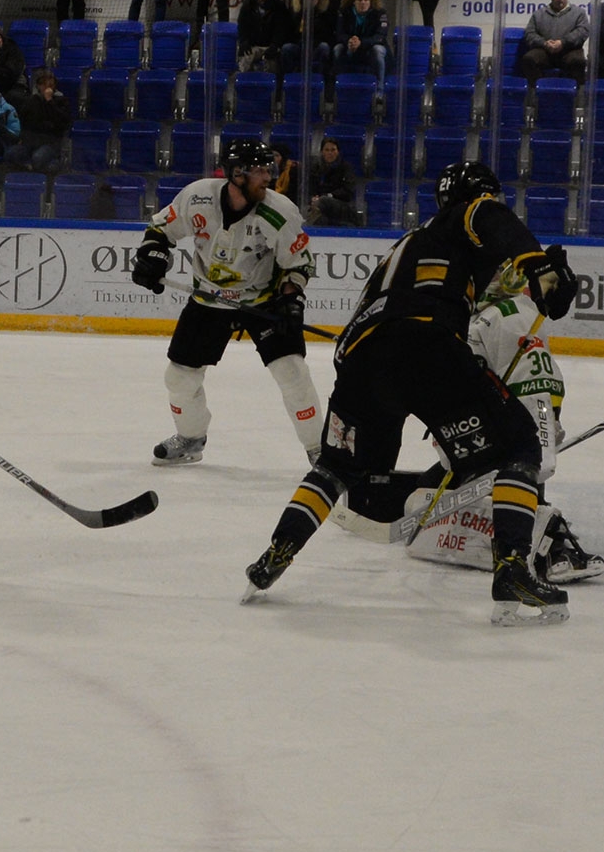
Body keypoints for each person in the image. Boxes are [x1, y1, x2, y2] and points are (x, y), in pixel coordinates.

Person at [241, 161, 580, 626]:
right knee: (520, 447)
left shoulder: (410, 244)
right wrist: (538, 266)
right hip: (425, 345)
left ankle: (277, 552)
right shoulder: (465, 215)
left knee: (338, 465)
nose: (496, 204)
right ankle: (512, 568)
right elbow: (487, 219)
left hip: (361, 359)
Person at [392, 284, 604, 584]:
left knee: (524, 474)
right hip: (512, 416)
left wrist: (544, 426)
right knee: (431, 487)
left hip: (526, 414)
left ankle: (553, 547)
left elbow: (536, 387)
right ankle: (524, 523)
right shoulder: (489, 316)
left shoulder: (502, 317)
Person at [129, 138, 322, 466]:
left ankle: (322, 451)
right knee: (179, 378)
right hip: (208, 298)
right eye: (260, 171)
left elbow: (298, 264)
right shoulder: (198, 197)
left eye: (268, 170)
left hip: (264, 299)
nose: (268, 177)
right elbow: (161, 229)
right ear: (236, 174)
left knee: (292, 372)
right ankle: (191, 438)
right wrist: (153, 256)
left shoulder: (279, 211)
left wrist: (292, 301)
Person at [520, 0, 588, 85]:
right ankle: (536, 94)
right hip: (545, 51)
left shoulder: (579, 13)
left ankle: (576, 97)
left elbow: (582, 32)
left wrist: (563, 42)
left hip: (569, 51)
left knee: (578, 62)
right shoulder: (539, 14)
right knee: (529, 59)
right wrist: (544, 43)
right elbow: (529, 34)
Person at [5, 68, 72, 174]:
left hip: (50, 141)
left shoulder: (62, 101)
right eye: (43, 84)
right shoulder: (32, 101)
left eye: (49, 83)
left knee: (38, 158)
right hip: (31, 141)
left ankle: (51, 165)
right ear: (38, 86)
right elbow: (25, 121)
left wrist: (49, 101)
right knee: (11, 153)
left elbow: (61, 122)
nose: (46, 86)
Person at [236, 0, 294, 74]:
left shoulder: (278, 7)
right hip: (253, 46)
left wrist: (275, 45)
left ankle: (274, 87)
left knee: (272, 64)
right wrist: (244, 41)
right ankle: (245, 85)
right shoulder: (247, 6)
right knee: (245, 60)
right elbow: (242, 26)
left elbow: (282, 29)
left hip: (271, 46)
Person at [332, 0, 389, 87]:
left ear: (371, 2)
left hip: (370, 46)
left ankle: (380, 89)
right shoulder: (344, 12)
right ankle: (338, 85)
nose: (363, 2)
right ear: (354, 2)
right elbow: (339, 33)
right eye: (360, 0)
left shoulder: (380, 13)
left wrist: (361, 42)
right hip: (350, 45)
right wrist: (349, 41)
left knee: (378, 50)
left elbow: (380, 36)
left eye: (366, 0)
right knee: (338, 49)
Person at [280, 0, 337, 81]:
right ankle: (288, 79)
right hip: (299, 46)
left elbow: (329, 35)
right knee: (286, 48)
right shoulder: (295, 12)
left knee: (324, 47)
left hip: (316, 47)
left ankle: (319, 79)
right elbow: (287, 33)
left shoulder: (325, 13)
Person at [306, 137, 358, 226]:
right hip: (320, 204)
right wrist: (312, 198)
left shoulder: (346, 168)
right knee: (321, 219)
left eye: (333, 150)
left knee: (323, 200)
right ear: (322, 152)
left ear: (338, 151)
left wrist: (330, 195)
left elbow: (349, 191)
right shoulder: (316, 168)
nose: (330, 153)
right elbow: (310, 187)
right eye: (327, 150)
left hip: (341, 205)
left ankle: (308, 222)